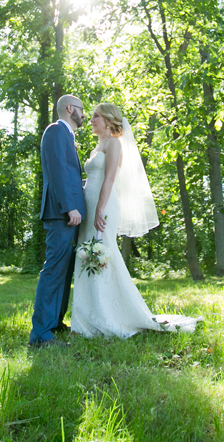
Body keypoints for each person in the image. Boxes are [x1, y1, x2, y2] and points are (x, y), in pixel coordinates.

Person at [71, 103, 202, 338]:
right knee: (86, 258)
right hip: (90, 207)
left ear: (109, 120)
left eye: (96, 117)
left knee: (103, 255)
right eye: (91, 117)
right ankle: (85, 319)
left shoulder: (114, 144)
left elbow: (109, 180)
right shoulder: (96, 148)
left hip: (104, 206)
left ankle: (112, 316)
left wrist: (100, 209)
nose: (91, 120)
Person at [29, 94, 86, 347]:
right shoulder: (55, 131)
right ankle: (40, 334)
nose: (84, 115)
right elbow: (57, 173)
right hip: (61, 214)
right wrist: (70, 208)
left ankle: (55, 324)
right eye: (82, 110)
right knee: (53, 271)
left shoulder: (68, 137)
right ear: (70, 108)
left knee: (64, 273)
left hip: (70, 216)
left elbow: (71, 177)